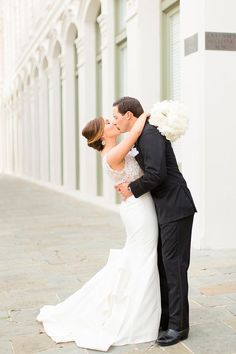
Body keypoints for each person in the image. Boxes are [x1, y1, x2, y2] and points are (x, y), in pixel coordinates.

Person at [36, 112, 161, 351]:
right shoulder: (112, 153)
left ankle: (140, 310)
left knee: (141, 257)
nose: (113, 122)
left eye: (111, 119)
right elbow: (134, 132)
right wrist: (144, 114)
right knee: (142, 258)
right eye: (108, 123)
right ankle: (137, 316)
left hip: (139, 206)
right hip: (138, 211)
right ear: (102, 136)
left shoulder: (116, 150)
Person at [113, 96, 197, 347]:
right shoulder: (142, 133)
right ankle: (167, 318)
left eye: (117, 116)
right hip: (165, 208)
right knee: (164, 264)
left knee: (174, 267)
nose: (115, 121)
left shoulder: (149, 135)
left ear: (129, 115)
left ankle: (178, 327)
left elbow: (157, 174)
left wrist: (131, 188)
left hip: (175, 206)